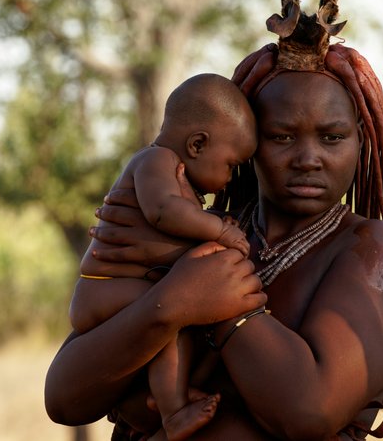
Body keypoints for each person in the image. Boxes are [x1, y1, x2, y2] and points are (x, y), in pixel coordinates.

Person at [45, 0, 383, 440]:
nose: (308, 158)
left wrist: (227, 307)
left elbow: (310, 411)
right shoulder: (191, 234)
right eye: (281, 136)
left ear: (363, 142)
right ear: (242, 147)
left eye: (332, 137)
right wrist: (173, 304)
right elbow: (65, 398)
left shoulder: (369, 248)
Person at [69, 73, 258, 440]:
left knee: (174, 324)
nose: (231, 178)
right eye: (232, 165)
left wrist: (213, 220)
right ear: (198, 144)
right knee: (172, 320)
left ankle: (159, 398)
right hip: (104, 288)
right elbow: (163, 212)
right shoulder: (156, 160)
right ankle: (173, 412)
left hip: (117, 290)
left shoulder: (179, 176)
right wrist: (219, 230)